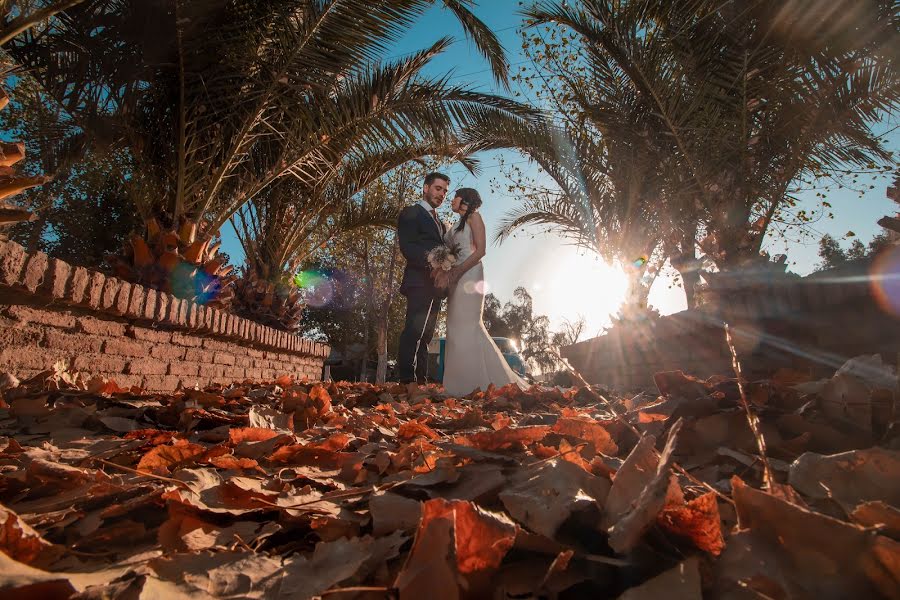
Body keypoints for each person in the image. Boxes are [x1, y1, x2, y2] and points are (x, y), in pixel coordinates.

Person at [441, 188, 527, 396]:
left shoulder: (475, 217)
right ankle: (458, 383)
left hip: (470, 274)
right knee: (454, 325)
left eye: (454, 196)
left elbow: (481, 250)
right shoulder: (454, 225)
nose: (451, 200)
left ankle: (475, 384)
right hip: (455, 277)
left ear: (464, 199)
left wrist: (459, 270)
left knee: (468, 325)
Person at [396, 172, 450, 384]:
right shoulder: (411, 213)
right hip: (418, 282)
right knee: (413, 331)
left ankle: (421, 382)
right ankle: (406, 381)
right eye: (438, 188)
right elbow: (407, 247)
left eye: (445, 191)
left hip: (437, 287)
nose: (442, 194)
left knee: (427, 336)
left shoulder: (442, 224)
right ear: (426, 188)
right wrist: (431, 261)